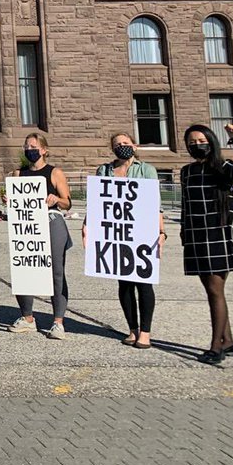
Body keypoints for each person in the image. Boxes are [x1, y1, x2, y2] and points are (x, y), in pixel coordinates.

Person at [181, 122, 233, 365]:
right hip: (196, 236)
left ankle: (216, 347)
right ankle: (228, 341)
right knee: (212, 290)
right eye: (192, 142)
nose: (197, 145)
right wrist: (184, 233)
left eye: (201, 141)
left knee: (215, 291)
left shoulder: (223, 167)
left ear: (211, 142)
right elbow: (186, 205)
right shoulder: (187, 171)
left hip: (218, 236)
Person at [94, 132, 164, 348]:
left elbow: (155, 203)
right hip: (117, 233)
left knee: (144, 283)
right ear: (112, 149)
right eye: (117, 144)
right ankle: (132, 329)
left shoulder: (146, 170)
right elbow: (98, 203)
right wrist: (89, 227)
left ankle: (145, 332)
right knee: (124, 284)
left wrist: (161, 232)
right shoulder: (104, 170)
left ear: (134, 145)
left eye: (125, 143)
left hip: (142, 231)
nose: (121, 146)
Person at [7, 134, 74, 339]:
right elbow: (14, 201)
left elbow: (67, 203)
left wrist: (57, 199)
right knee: (24, 268)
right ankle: (27, 317)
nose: (30, 149)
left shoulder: (54, 173)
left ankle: (58, 322)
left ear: (44, 150)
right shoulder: (18, 174)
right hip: (27, 225)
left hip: (51, 221)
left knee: (56, 271)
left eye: (34, 146)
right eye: (26, 146)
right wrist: (8, 198)